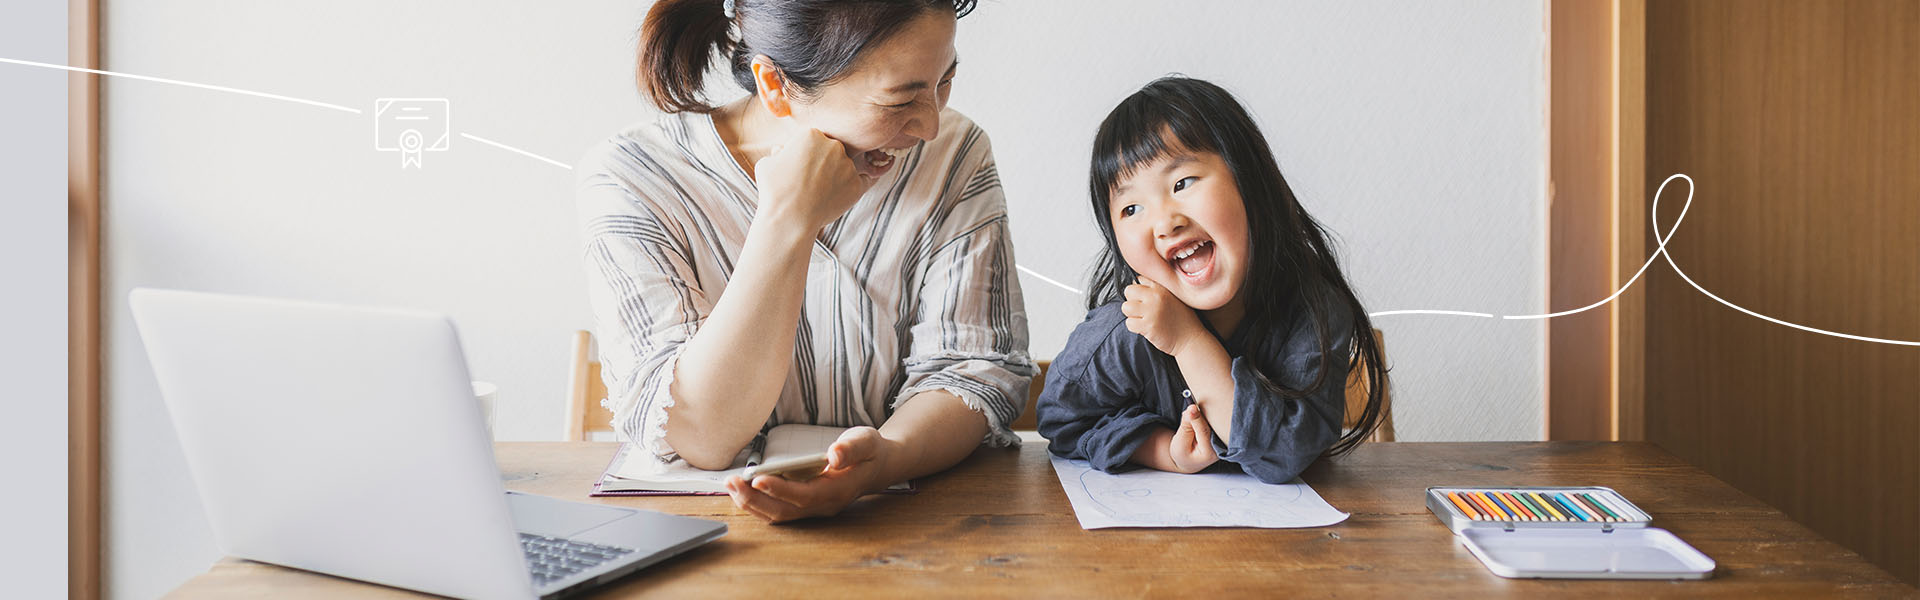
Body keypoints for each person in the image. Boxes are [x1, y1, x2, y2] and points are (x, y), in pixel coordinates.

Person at [577, 0, 1033, 522]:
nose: (930, 123)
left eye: (943, 82)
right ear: (774, 85)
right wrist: (787, 220)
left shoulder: (954, 152)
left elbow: (970, 370)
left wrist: (885, 460)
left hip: (910, 523)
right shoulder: (633, 177)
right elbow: (702, 434)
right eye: (899, 99)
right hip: (697, 535)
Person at [1036, 76, 1388, 484]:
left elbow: (1285, 453)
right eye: (1131, 208)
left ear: (1249, 180)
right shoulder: (1125, 331)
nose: (1165, 222)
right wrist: (1162, 450)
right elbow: (1061, 421)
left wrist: (1188, 341)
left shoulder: (1312, 312)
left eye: (1182, 184)